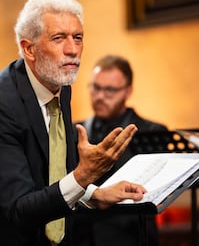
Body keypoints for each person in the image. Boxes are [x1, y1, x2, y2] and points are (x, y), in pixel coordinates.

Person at [0, 0, 146, 246]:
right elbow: (19, 207)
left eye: (77, 37)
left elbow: (48, 175)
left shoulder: (59, 83)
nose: (72, 50)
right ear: (29, 49)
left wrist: (94, 193)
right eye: (58, 38)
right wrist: (83, 176)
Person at [72, 55, 168, 246]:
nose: (100, 96)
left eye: (110, 90)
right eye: (95, 87)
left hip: (132, 236)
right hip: (82, 236)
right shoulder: (74, 131)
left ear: (128, 91)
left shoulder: (152, 132)